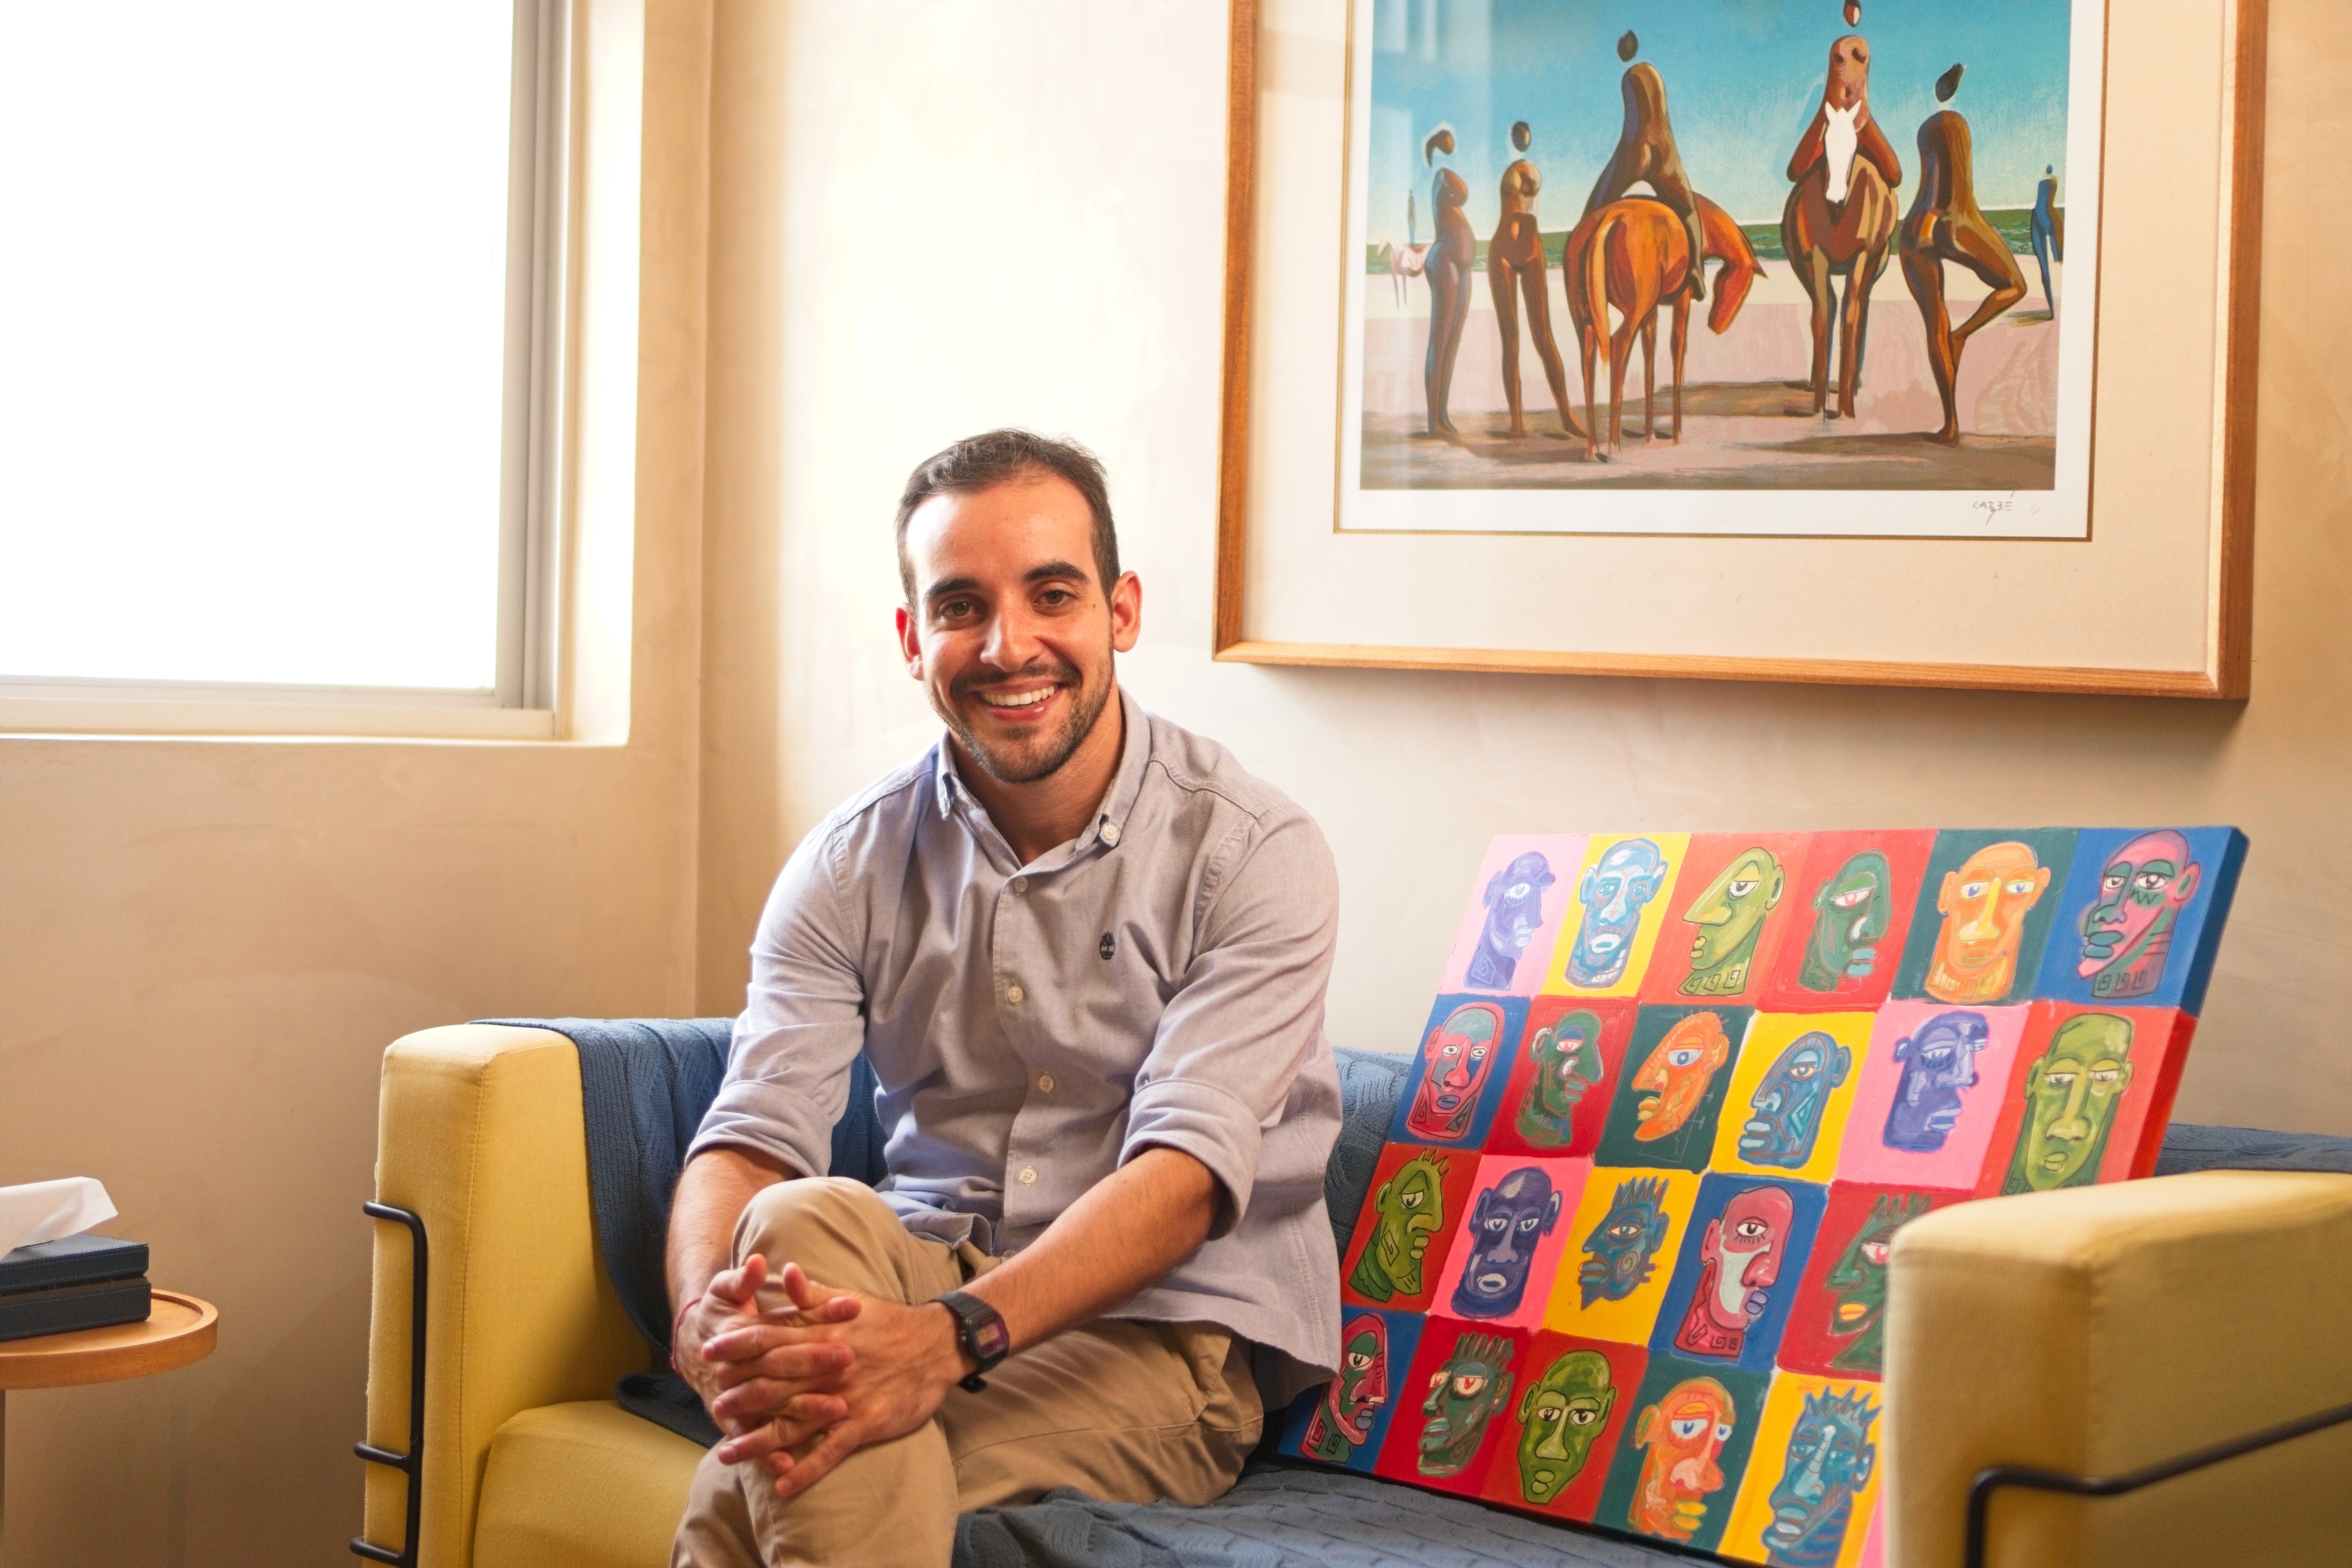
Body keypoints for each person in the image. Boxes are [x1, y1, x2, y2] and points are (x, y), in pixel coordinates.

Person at [665, 430, 1342, 1568]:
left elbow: (1183, 1180)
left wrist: (942, 1346)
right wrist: (702, 1320)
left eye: (1052, 595)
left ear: (1121, 612)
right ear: (912, 639)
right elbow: (752, 1133)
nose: (1007, 645)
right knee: (794, 1222)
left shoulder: (1254, 851)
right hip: (922, 1261)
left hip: (1160, 1332)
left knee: (812, 1451)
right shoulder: (848, 863)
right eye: (961, 606)